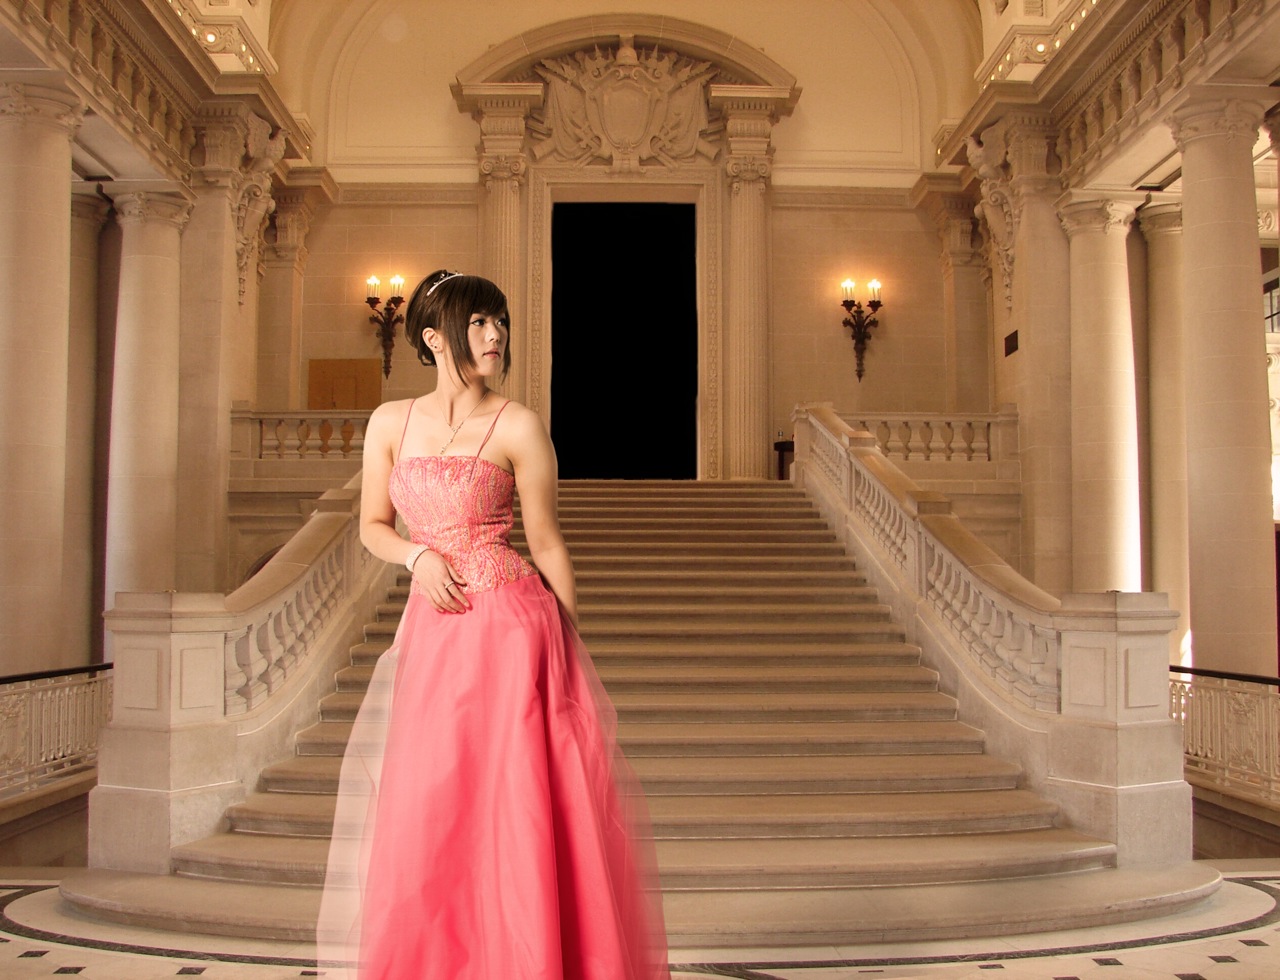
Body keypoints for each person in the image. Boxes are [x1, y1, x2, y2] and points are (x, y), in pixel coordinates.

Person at [316, 270, 670, 979]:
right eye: (479, 321)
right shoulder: (390, 422)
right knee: (434, 803)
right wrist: (417, 556)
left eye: (500, 321)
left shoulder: (518, 424)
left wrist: (569, 651)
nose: (496, 334)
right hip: (434, 633)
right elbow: (372, 526)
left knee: (517, 806)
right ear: (433, 336)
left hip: (512, 630)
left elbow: (547, 543)